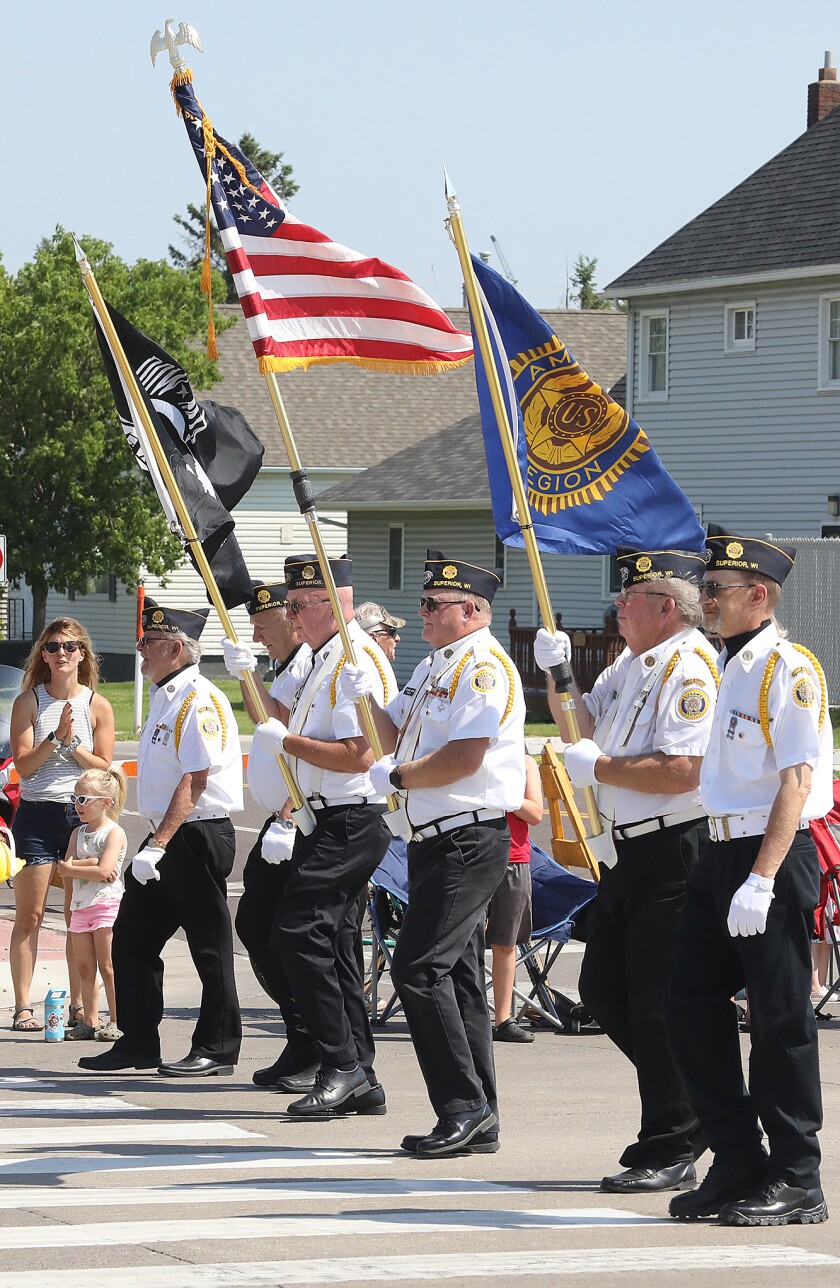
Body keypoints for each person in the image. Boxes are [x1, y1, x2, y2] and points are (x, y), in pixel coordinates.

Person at [535, 548, 716, 1194]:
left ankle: (671, 1140)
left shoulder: (689, 667)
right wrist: (559, 675)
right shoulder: (630, 664)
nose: (617, 605)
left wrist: (600, 770)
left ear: (666, 608)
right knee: (605, 990)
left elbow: (685, 768)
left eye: (630, 598)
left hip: (674, 847)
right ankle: (703, 1104)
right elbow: (579, 725)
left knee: (654, 1004)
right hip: (625, 851)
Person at [666, 526, 832, 1227]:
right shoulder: (730, 663)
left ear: (757, 595)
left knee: (779, 1018)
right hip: (720, 852)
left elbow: (796, 779)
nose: (705, 600)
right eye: (705, 589)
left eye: (716, 590)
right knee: (685, 1002)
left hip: (771, 853)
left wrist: (761, 879)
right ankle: (737, 1160)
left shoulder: (787, 667)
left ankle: (797, 1176)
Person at [343, 551, 526, 1157]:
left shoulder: (484, 668)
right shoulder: (430, 667)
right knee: (460, 978)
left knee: (419, 968)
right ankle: (482, 1112)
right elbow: (390, 734)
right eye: (422, 603)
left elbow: (465, 755)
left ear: (471, 611)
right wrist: (364, 694)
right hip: (430, 837)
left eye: (433, 604)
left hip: (468, 835)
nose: (421, 612)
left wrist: (398, 779)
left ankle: (462, 1105)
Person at [252, 555, 396, 1117]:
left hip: (353, 815)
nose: (291, 617)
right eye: (288, 606)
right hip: (324, 816)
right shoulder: (323, 657)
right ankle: (360, 1069)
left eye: (297, 606)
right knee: (333, 941)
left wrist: (284, 743)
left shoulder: (354, 660)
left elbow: (358, 755)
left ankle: (339, 1063)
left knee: (297, 929)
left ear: (331, 604)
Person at [78, 601, 244, 1076]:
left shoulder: (200, 698)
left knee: (209, 947)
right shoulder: (165, 694)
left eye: (149, 642)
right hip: (167, 836)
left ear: (175, 648)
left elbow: (195, 778)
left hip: (193, 835)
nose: (140, 649)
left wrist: (158, 844)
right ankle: (138, 1041)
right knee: (131, 938)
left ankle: (217, 1046)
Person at [220, 579, 319, 1090]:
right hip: (287, 814)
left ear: (289, 615)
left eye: (262, 625)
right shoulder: (290, 665)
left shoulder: (314, 662)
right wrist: (246, 675)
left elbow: (306, 746)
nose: (258, 636)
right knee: (257, 922)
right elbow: (268, 725)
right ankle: (301, 1033)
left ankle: (321, 1045)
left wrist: (286, 815)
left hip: (308, 816)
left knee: (296, 932)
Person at [9, 619, 115, 1033]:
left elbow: (105, 764)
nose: (62, 653)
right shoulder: (29, 702)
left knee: (76, 916)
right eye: (52, 647)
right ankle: (22, 1006)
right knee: (30, 916)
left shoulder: (97, 704)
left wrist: (74, 746)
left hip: (79, 815)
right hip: (36, 812)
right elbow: (23, 764)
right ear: (44, 655)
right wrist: (54, 737)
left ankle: (78, 1006)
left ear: (82, 653)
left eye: (70, 646)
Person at [58, 766, 128, 1042]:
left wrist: (82, 866)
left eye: (84, 799)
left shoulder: (114, 833)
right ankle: (89, 1019)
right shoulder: (77, 833)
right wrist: (90, 865)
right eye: (75, 798)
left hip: (105, 905)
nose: (77, 805)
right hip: (80, 906)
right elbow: (63, 868)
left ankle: (116, 1019)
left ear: (106, 802)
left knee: (108, 965)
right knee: (85, 967)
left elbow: (105, 871)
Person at [489, 753, 542, 1043]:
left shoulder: (523, 762)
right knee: (464, 943)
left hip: (513, 859)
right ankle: (464, 1014)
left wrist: (506, 796)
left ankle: (503, 1019)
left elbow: (535, 814)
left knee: (505, 943)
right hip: (473, 856)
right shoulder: (470, 754)